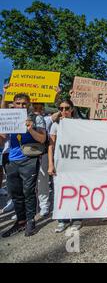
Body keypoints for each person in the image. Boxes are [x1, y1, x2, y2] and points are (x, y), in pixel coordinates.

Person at [0, 91, 47, 237]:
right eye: (18, 103)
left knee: (28, 191)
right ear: (13, 104)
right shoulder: (8, 118)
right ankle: (20, 222)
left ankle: (30, 220)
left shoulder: (37, 118)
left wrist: (30, 129)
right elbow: (2, 140)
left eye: (24, 103)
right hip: (10, 160)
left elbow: (42, 139)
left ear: (29, 104)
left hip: (29, 159)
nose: (21, 106)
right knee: (15, 193)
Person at [47, 99, 82, 233]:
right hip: (60, 163)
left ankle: (77, 218)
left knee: (76, 189)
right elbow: (51, 146)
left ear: (72, 109)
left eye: (67, 108)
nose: (64, 111)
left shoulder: (79, 124)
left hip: (76, 163)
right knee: (61, 190)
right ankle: (62, 220)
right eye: (61, 108)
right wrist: (50, 164)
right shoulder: (56, 125)